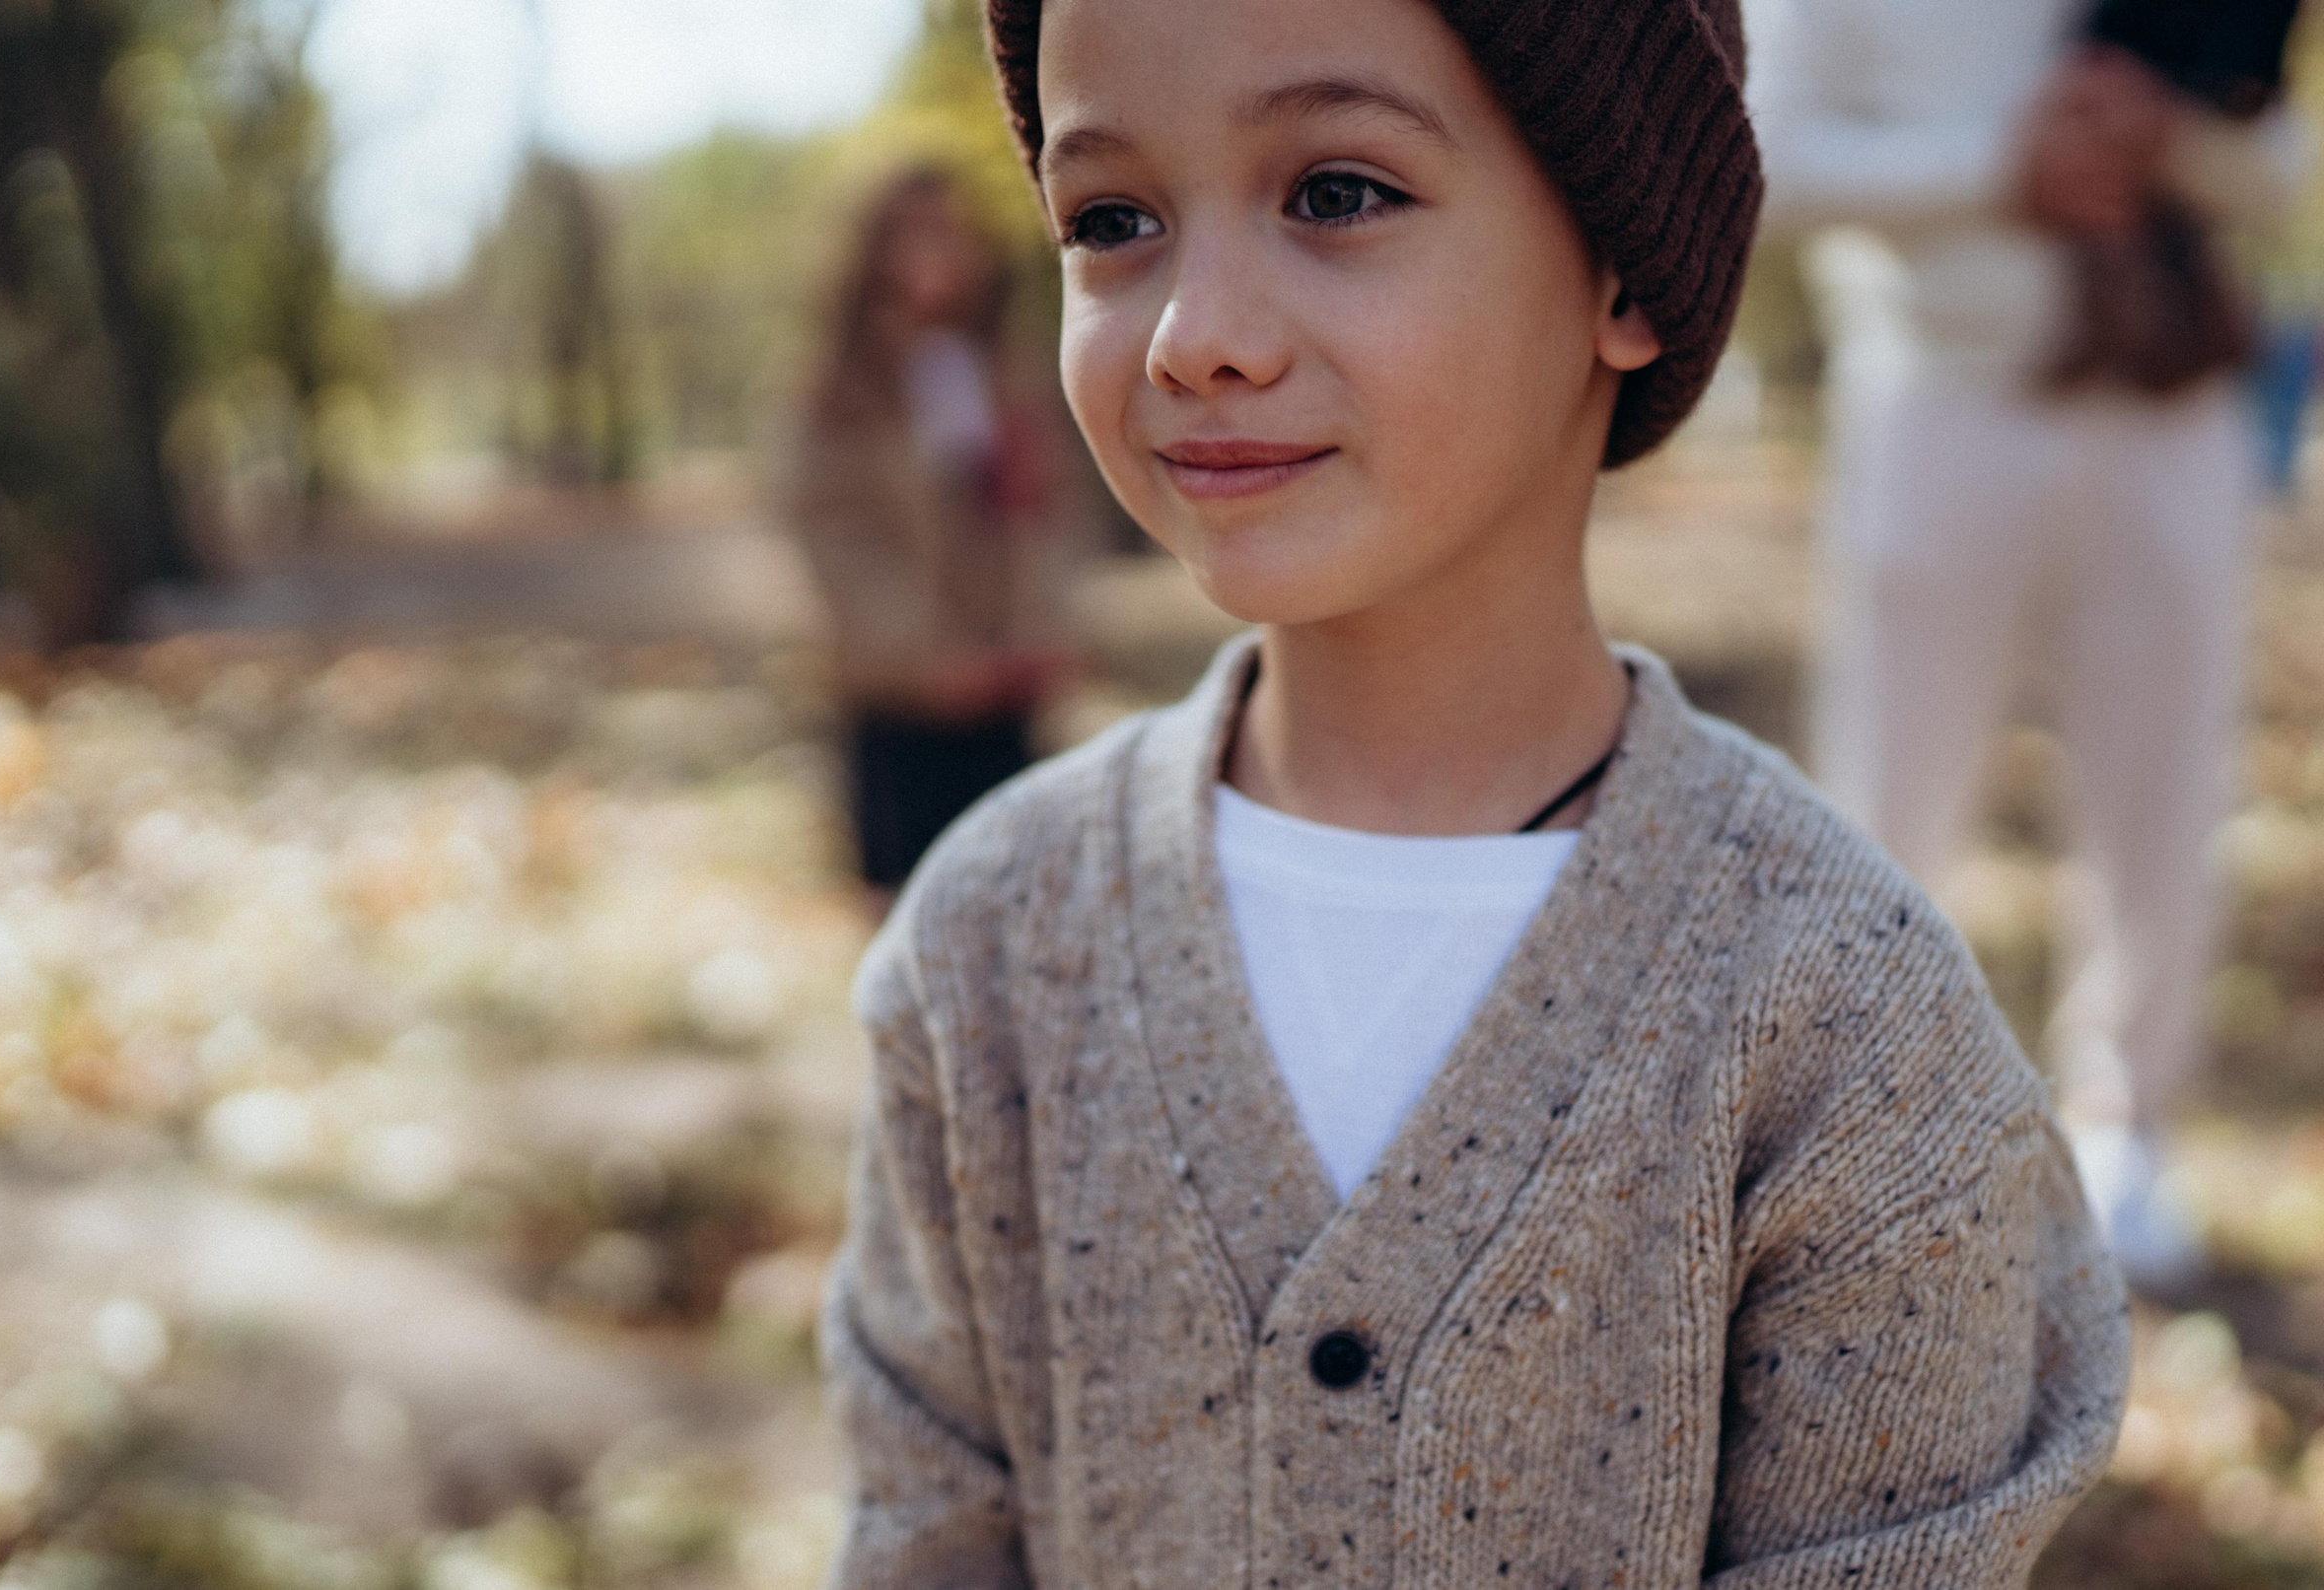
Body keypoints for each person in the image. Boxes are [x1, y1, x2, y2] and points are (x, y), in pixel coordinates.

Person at [818, 0, 2131, 1583]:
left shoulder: (1845, 1030)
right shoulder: (989, 951)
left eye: (1337, 193)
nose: (1192, 332)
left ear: (1626, 271)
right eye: (1115, 221)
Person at [1748, 0, 2305, 1286]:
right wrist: (2001, 164)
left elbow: (2278, 169)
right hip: (1940, 392)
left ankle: (2127, 1132)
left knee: (2164, 780)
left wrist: (2168, 139)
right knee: (1893, 779)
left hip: (2166, 399)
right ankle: (1871, 1130)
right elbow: (1769, 155)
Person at [787, 167, 1078, 903]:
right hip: (899, 696)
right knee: (905, 905)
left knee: (1015, 897)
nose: (940, 254)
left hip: (1007, 683)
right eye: (917, 234)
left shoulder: (1010, 371)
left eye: (955, 233)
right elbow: (831, 532)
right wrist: (921, 658)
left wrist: (1042, 624)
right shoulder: (839, 387)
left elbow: (1047, 510)